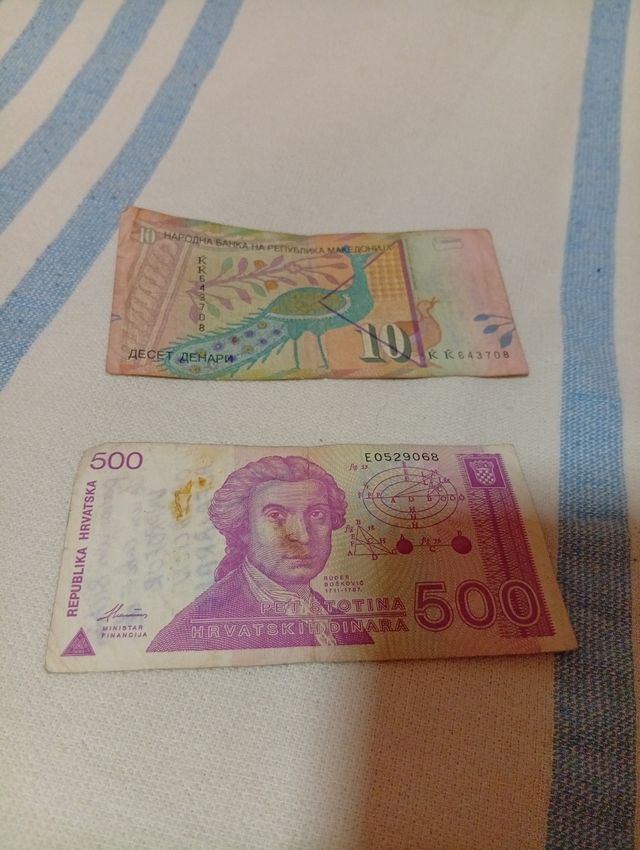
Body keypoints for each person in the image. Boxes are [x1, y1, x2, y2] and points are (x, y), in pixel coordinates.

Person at [147, 455, 373, 652]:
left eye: (316, 514)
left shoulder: (349, 627)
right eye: (276, 515)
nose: (303, 536)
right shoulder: (188, 635)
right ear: (244, 529)